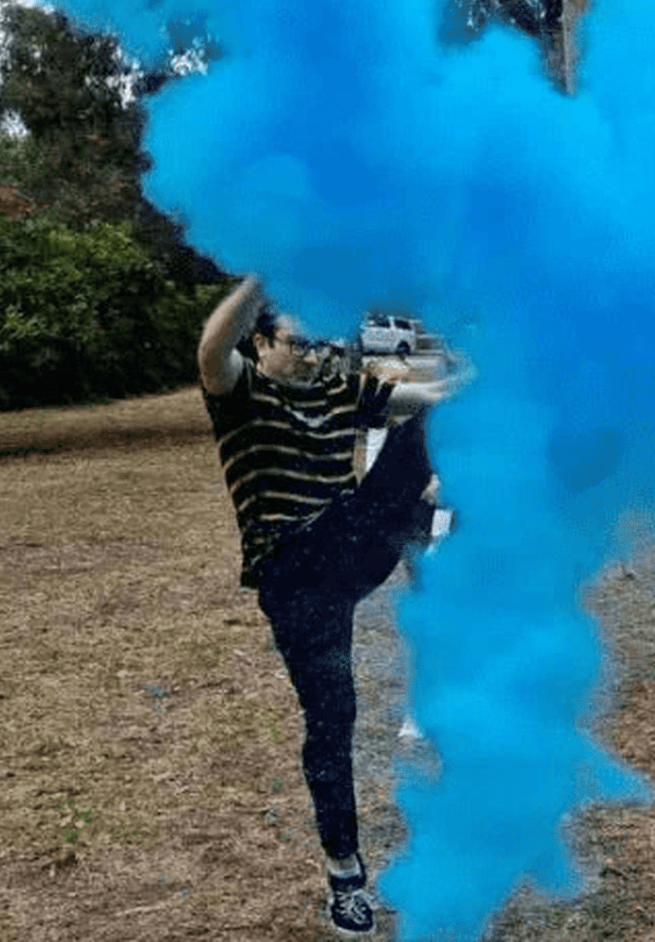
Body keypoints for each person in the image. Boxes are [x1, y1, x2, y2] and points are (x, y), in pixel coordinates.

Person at [197, 275, 464, 937]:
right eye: (297, 343)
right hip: (294, 581)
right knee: (331, 718)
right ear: (261, 344)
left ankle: (435, 520)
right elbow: (210, 347)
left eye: (321, 344)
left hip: (346, 546)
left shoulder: (339, 387)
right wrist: (262, 271)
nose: (313, 355)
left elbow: (432, 396)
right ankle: (344, 874)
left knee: (433, 427)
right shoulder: (240, 392)